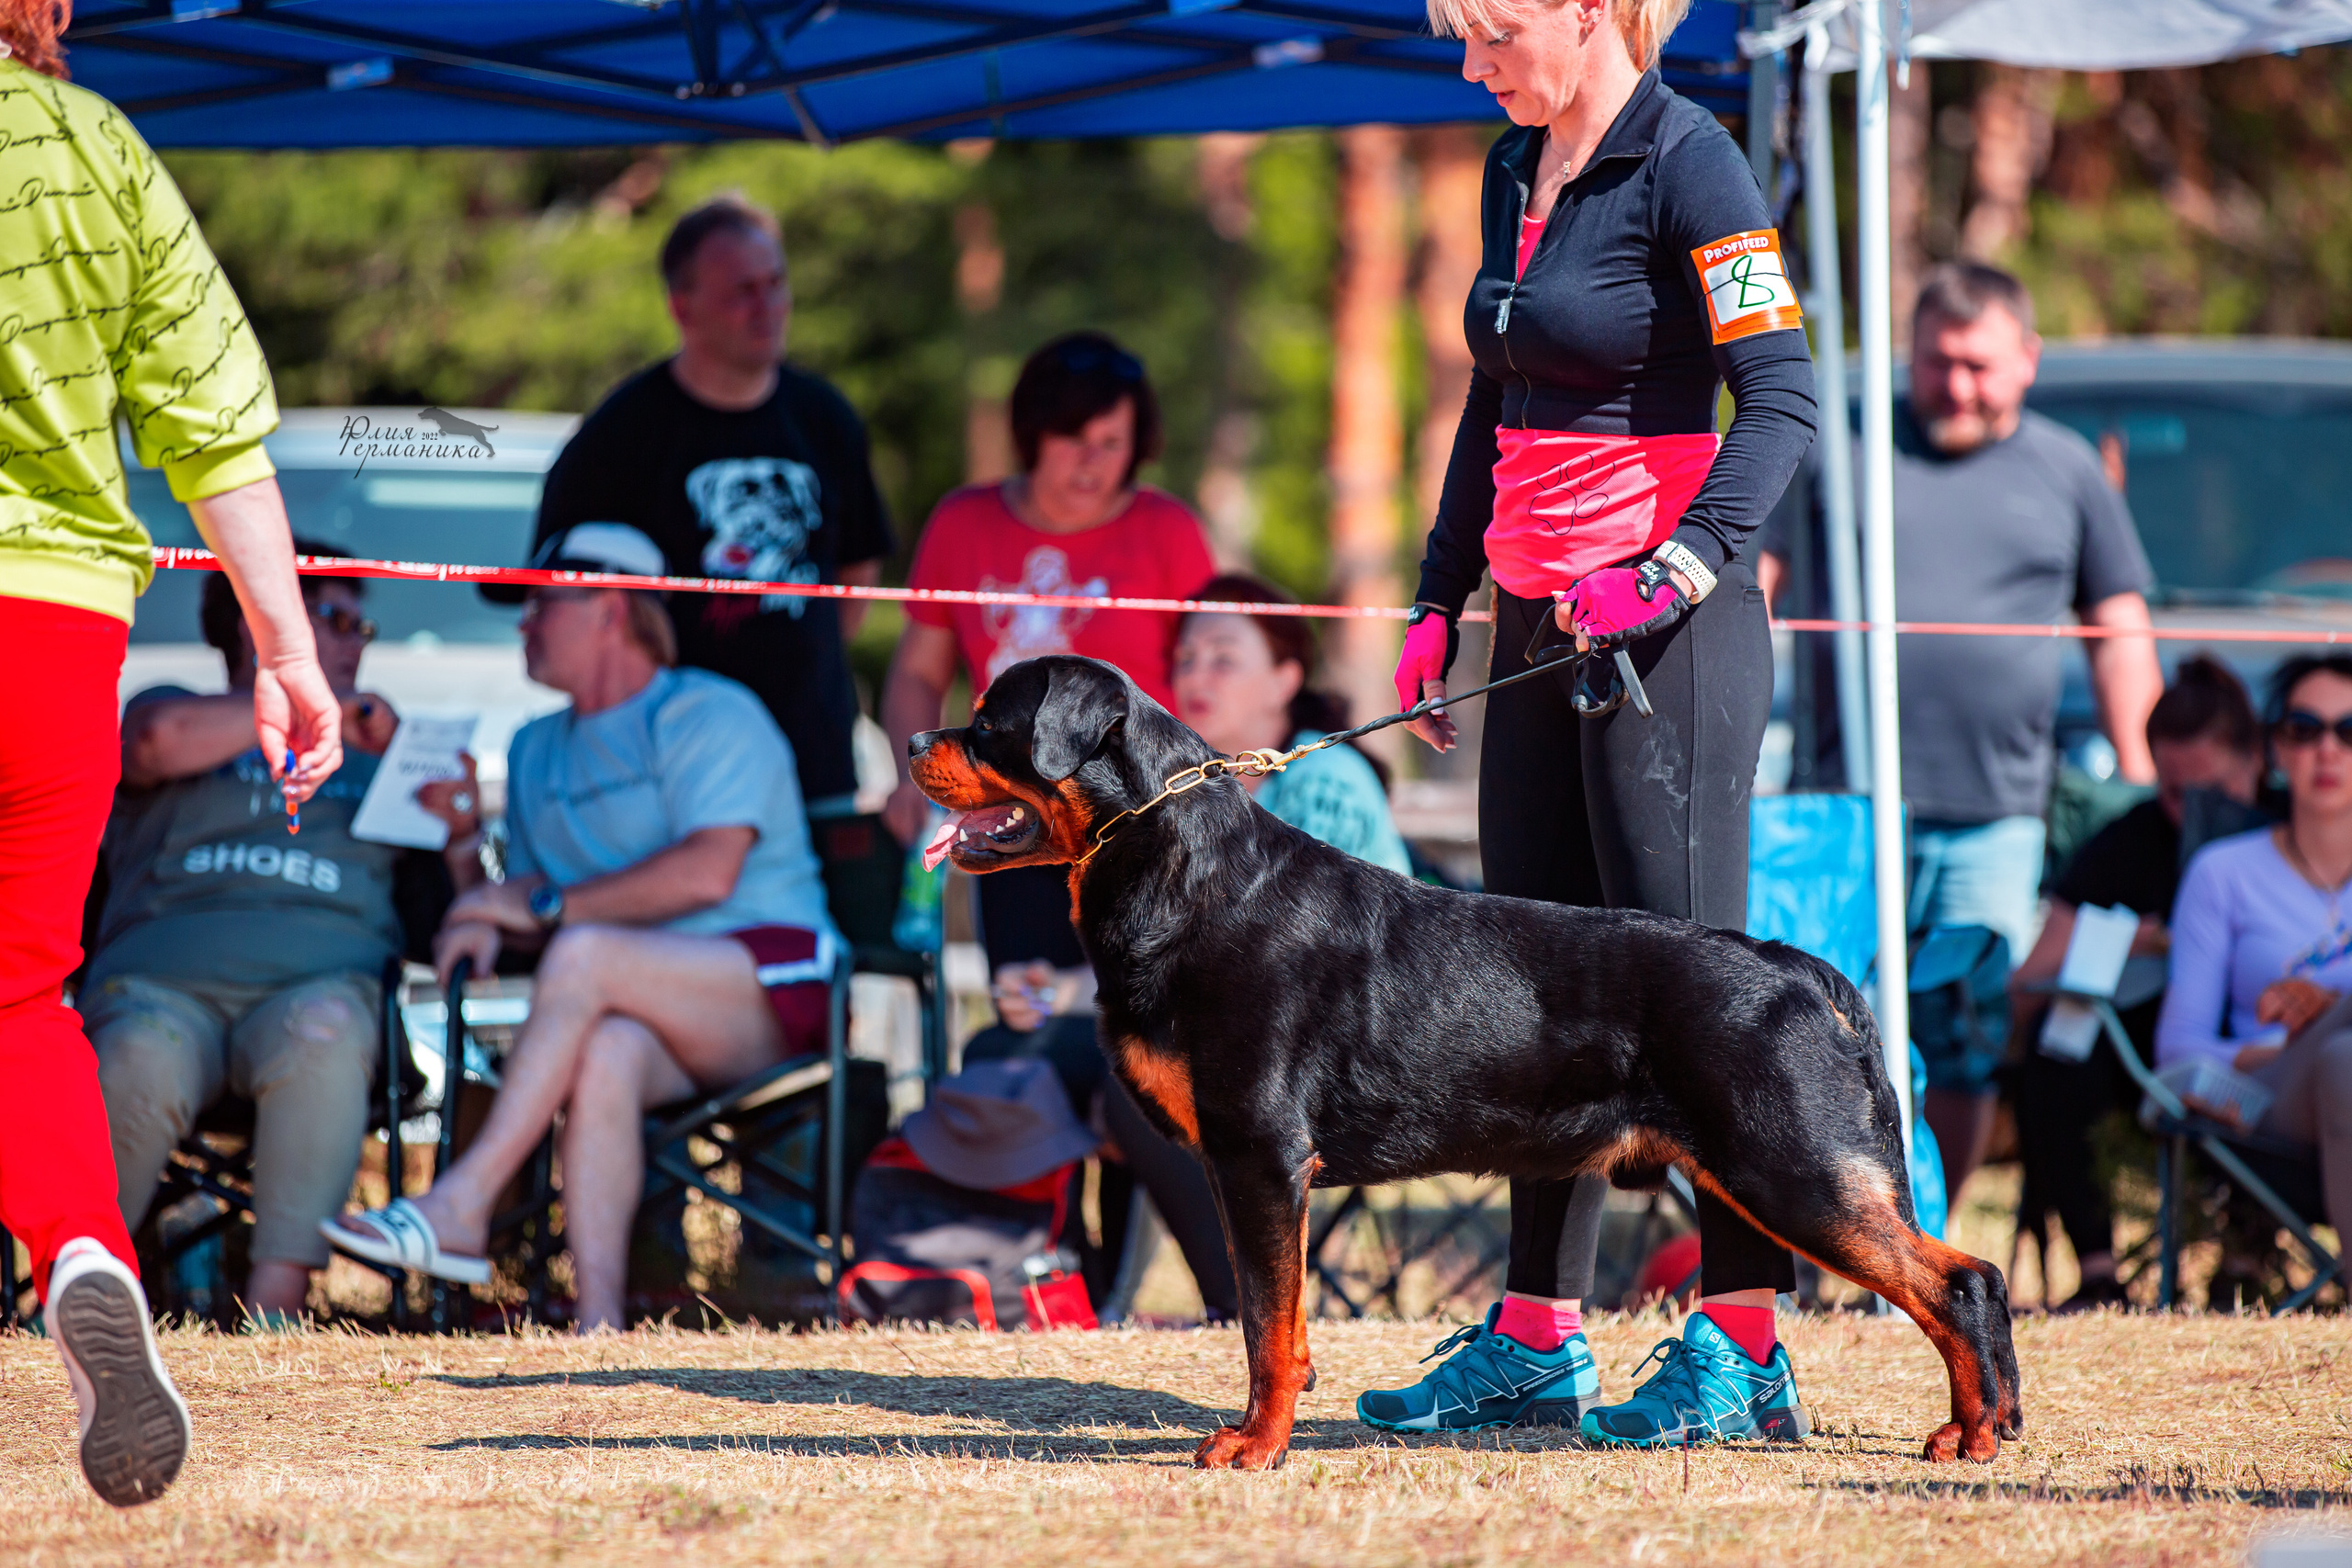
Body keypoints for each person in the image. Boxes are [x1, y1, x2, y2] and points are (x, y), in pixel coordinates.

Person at [1368, 0, 1818, 1445]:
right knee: (1531, 994)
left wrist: (1674, 568)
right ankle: (1535, 1337)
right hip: (1532, 626)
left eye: (1490, 32)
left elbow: (1785, 401)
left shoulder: (1697, 162)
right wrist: (1441, 598)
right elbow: (1491, 406)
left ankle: (1743, 1344)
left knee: (1695, 1004)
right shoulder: (1515, 169)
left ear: (1583, 11)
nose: (1470, 64)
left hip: (1667, 642)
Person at [0, 7, 341, 1507]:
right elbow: (217, 433)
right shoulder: (101, 149)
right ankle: (83, 1243)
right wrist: (289, 653)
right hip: (61, 630)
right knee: (21, 989)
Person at [322, 525, 839, 1333]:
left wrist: (541, 907)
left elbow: (705, 873)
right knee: (604, 1047)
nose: (523, 623)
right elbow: (529, 917)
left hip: (774, 984)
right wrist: (465, 854)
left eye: (541, 603)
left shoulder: (709, 710)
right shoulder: (531, 749)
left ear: (611, 607)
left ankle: (462, 1202)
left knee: (586, 952)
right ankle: (600, 1327)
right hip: (626, 1000)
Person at [1760, 261, 2165, 1195]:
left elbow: (2120, 630)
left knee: (1965, 1032)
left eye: (1979, 366)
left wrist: (2140, 780)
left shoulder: (2065, 470)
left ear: (2026, 360)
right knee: (1820, 1028)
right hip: (1842, 801)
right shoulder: (1839, 445)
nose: (1957, 386)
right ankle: (1838, 1237)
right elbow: (1758, 589)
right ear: (1910, 355)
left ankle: (1921, 1228)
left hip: (1994, 812)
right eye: (1938, 363)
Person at [85, 549, 469, 1327]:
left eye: (361, 624)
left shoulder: (377, 758)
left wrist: (459, 830)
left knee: (323, 1037)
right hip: (161, 989)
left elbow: (446, 912)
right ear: (257, 622)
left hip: (319, 991)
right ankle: (86, 1302)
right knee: (135, 1055)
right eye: (333, 620)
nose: (356, 642)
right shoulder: (175, 711)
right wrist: (304, 706)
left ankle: (274, 1322)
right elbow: (152, 740)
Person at [530, 197, 893, 821]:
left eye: (777, 284)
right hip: (665, 771)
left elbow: (857, 574)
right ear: (682, 306)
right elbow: (559, 601)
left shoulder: (825, 417)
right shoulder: (620, 435)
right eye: (741, 291)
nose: (768, 307)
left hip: (813, 758)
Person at [882, 332, 1215, 1007]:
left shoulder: (1170, 532)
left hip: (1140, 829)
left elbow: (1210, 683)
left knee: (1140, 1017)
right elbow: (918, 672)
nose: (1092, 463)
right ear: (1033, 434)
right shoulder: (963, 523)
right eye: (1073, 439)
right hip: (1015, 817)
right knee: (1027, 1011)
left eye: (1112, 443)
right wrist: (911, 780)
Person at [2007, 656, 2265, 1312]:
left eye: (2206, 793)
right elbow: (2030, 976)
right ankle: (2099, 1273)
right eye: (2173, 792)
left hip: (2261, 1038)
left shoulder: (2290, 830)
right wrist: (2130, 940)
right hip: (2152, 1047)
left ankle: (2248, 1258)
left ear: (2255, 762)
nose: (2188, 813)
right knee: (2055, 1048)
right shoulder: (2132, 839)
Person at [2156, 654, 2352, 1274]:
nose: (2328, 748)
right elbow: (2177, 1052)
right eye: (2304, 727)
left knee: (2344, 1057)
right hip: (2269, 1092)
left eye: (2350, 731)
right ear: (2275, 749)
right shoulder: (2223, 871)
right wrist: (2279, 1047)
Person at [1170, 574, 1413, 877]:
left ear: (1283, 683)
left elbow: (1307, 919)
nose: (1194, 678)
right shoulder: (1187, 783)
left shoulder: (1325, 783)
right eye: (1186, 659)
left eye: (1224, 659)